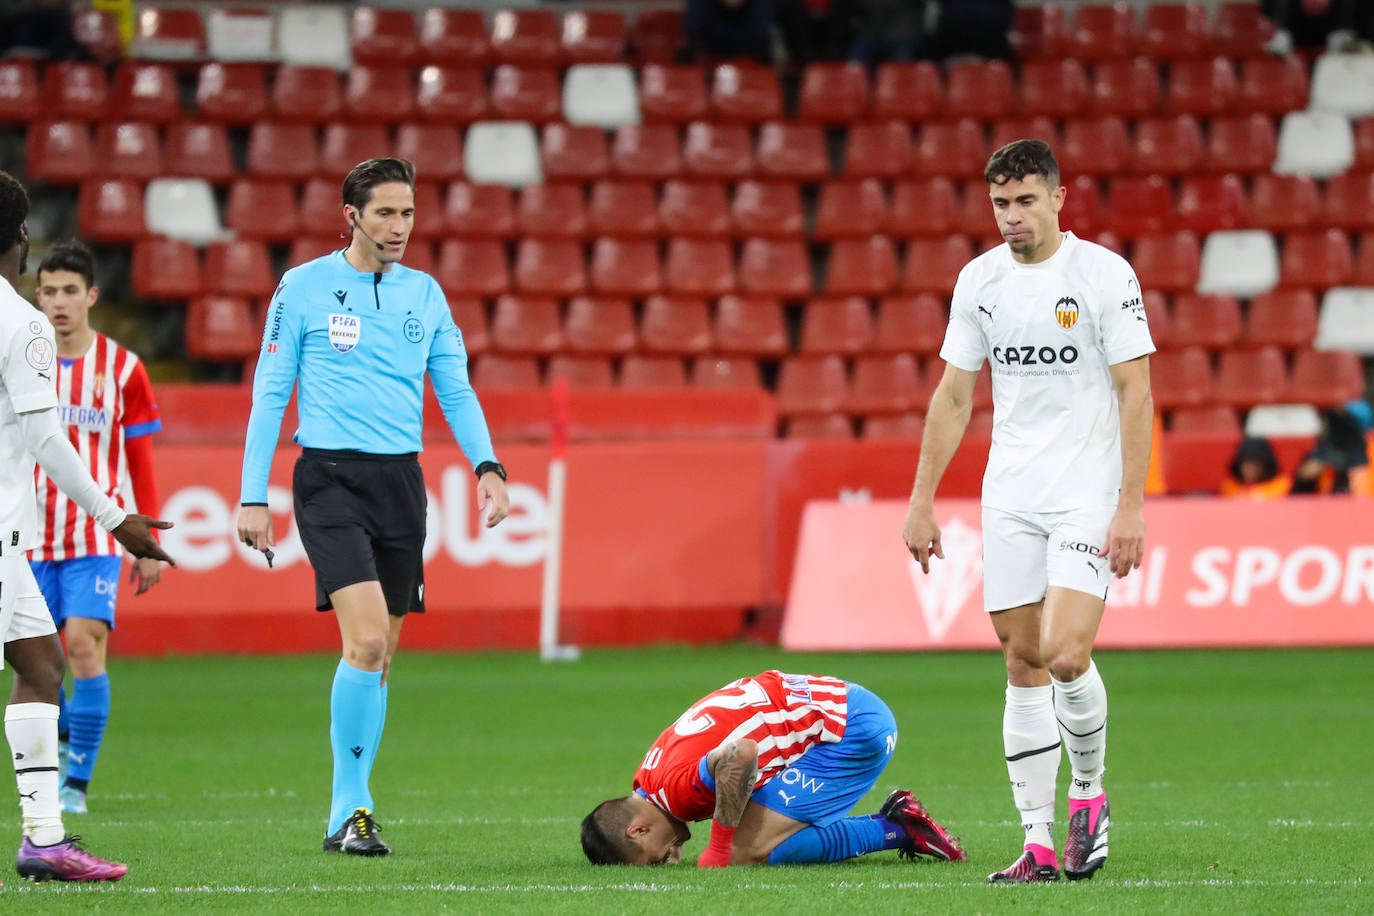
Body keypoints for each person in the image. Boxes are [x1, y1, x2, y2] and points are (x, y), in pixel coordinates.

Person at [235, 157, 510, 857]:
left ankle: (350, 808)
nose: (399, 227)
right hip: (327, 479)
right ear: (350, 214)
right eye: (385, 213)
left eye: (408, 213)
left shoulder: (425, 295)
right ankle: (350, 809)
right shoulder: (302, 288)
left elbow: (455, 388)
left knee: (381, 656)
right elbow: (271, 389)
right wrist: (251, 493)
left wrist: (488, 466)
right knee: (364, 641)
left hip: (400, 485)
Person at [901, 140, 1155, 883]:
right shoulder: (979, 282)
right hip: (1010, 492)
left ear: (1057, 198)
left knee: (1066, 653)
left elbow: (1135, 391)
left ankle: (1088, 795)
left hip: (1086, 490)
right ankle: (1037, 843)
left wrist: (1130, 505)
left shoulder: (1104, 275)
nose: (1012, 217)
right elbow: (953, 395)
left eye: (1025, 201)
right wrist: (922, 500)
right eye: (1000, 204)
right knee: (1021, 659)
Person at [0, 169, 173, 881]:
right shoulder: (21, 324)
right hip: (2, 534)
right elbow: (46, 439)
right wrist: (117, 517)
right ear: (19, 238)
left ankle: (45, 835)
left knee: (41, 667)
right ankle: (43, 837)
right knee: (40, 672)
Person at [29, 240, 163, 816]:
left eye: (70, 292)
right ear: (37, 295)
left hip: (94, 537)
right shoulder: (19, 358)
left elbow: (141, 458)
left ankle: (75, 784)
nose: (60, 303)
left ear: (91, 296)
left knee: (83, 645)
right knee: (35, 661)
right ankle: (60, 738)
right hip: (28, 533)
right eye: (50, 291)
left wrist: (149, 546)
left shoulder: (123, 369)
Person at [581, 669, 967, 867]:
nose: (666, 859)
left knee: (741, 851)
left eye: (654, 858)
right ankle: (897, 825)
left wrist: (717, 848)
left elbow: (742, 755)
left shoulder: (676, 792)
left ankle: (898, 828)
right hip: (841, 705)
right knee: (751, 833)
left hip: (852, 730)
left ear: (638, 829)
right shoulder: (648, 780)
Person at [1220, 436, 1292, 500]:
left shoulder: (1283, 485)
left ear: (1266, 466)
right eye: (1247, 465)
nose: (1251, 470)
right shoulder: (1229, 487)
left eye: (1256, 465)